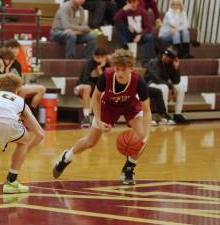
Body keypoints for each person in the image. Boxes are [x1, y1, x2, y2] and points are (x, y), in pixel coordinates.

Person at [53, 49, 151, 185]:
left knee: (142, 139)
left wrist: (147, 134)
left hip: (130, 106)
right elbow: (96, 97)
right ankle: (66, 157)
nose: (120, 73)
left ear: (131, 68)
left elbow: (146, 109)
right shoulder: (107, 76)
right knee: (90, 142)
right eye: (117, 69)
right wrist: (98, 120)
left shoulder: (138, 80)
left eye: (124, 70)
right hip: (108, 106)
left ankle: (128, 169)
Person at [144, 46, 189, 124]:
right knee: (164, 87)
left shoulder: (170, 65)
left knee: (181, 87)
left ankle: (177, 114)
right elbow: (156, 79)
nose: (165, 57)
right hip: (150, 85)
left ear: (172, 59)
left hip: (162, 84)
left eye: (168, 57)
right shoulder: (154, 62)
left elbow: (176, 81)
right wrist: (171, 86)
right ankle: (165, 115)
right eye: (165, 55)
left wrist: (176, 68)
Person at [5, 40, 46, 113]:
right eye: (12, 48)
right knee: (22, 90)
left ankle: (31, 112)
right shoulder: (2, 60)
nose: (15, 50)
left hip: (18, 86)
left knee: (42, 89)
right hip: (8, 86)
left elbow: (19, 79)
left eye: (16, 48)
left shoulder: (17, 63)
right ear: (7, 49)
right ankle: (19, 113)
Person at [74, 47, 110, 127]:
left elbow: (106, 82)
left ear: (105, 57)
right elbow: (85, 80)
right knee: (88, 88)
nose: (100, 59)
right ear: (94, 56)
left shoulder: (108, 66)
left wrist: (100, 69)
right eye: (97, 57)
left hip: (95, 88)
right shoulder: (89, 64)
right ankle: (86, 117)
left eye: (102, 57)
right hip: (81, 86)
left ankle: (106, 117)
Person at [114, 0, 154, 65]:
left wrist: (140, 35)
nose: (132, 4)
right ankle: (125, 46)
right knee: (119, 23)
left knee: (149, 37)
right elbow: (115, 20)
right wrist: (123, 10)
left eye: (134, 2)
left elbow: (148, 27)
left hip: (140, 35)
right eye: (130, 2)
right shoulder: (125, 11)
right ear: (127, 3)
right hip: (128, 34)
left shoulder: (143, 12)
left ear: (137, 2)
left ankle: (146, 61)